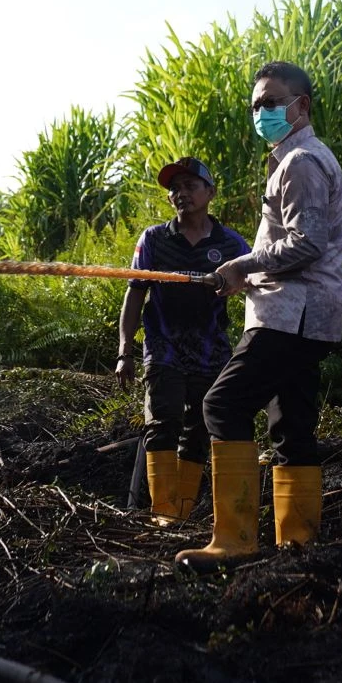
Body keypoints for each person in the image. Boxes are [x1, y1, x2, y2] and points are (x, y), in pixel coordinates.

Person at [176, 62, 342, 569]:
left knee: (222, 407)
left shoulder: (299, 160)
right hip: (310, 315)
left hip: (289, 316)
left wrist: (242, 265)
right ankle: (297, 543)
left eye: (272, 102)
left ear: (301, 107)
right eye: (257, 104)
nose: (262, 112)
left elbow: (307, 240)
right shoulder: (312, 158)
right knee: (291, 422)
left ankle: (234, 539)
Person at [116, 158, 250, 523]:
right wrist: (124, 352)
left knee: (200, 428)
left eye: (191, 185)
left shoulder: (231, 243)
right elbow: (134, 294)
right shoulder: (154, 240)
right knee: (163, 420)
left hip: (211, 351)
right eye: (175, 188)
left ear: (210, 192)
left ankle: (184, 511)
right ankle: (164, 514)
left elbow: (259, 286)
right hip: (164, 347)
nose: (181, 194)